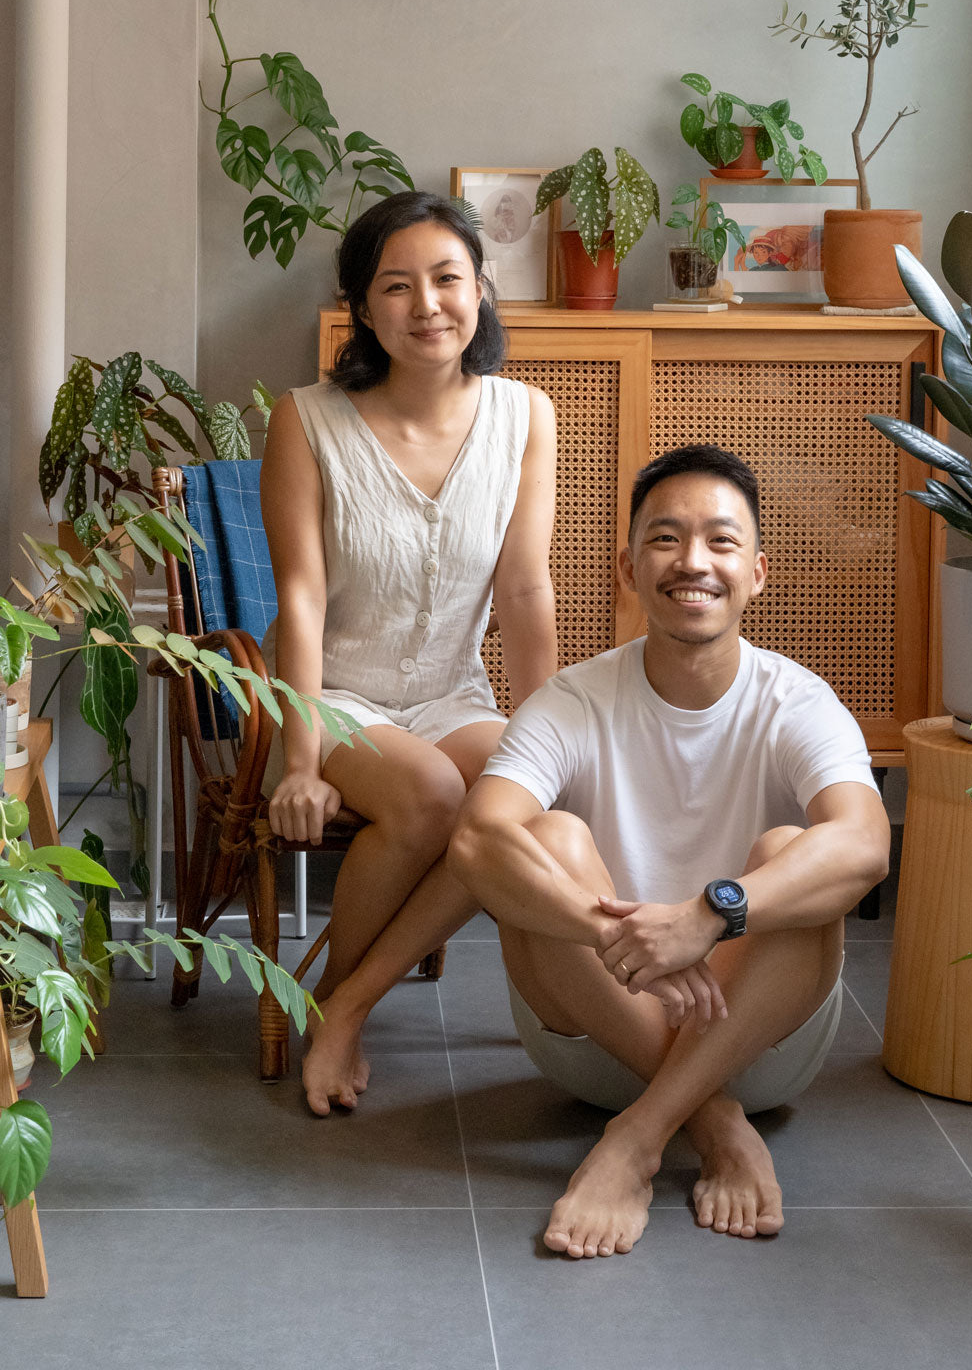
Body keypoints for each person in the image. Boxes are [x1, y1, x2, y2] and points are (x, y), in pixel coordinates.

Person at [449, 444, 889, 1259]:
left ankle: (638, 1137)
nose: (694, 562)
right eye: (665, 539)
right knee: (544, 838)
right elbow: (476, 840)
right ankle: (713, 1119)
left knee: (796, 849)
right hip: (590, 1040)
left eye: (721, 542)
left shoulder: (798, 701)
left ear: (757, 573)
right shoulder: (572, 701)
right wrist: (625, 937)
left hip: (763, 1045)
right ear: (628, 568)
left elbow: (865, 847)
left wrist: (708, 918)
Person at [260, 190, 558, 1116]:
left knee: (507, 801)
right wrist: (301, 761)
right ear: (362, 306)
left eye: (447, 279)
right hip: (327, 693)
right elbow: (301, 598)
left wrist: (555, 741)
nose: (427, 305)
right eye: (397, 286)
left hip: (451, 694)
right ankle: (344, 1011)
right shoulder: (306, 419)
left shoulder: (524, 417)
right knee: (431, 792)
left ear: (482, 291)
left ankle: (342, 1002)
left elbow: (522, 592)